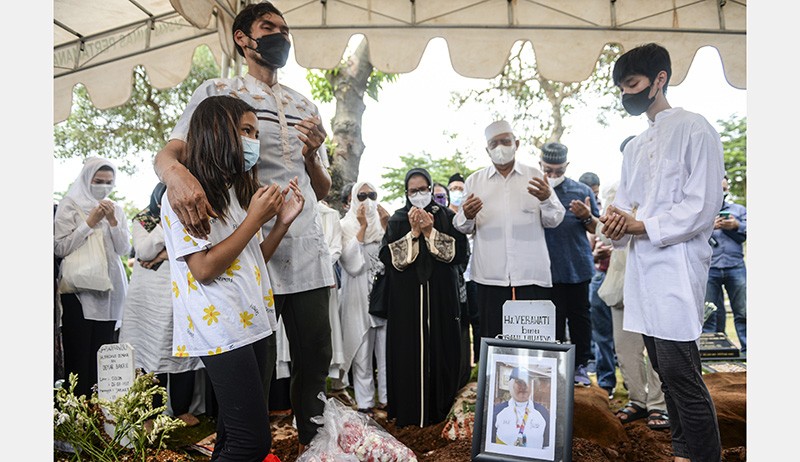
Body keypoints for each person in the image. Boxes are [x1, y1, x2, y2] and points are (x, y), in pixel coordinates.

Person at [152, 2, 334, 450]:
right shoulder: (219, 93)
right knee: (257, 363)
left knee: (315, 356)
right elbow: (173, 151)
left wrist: (313, 155)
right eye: (268, 27)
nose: (280, 36)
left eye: (285, 30)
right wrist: (175, 178)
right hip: (244, 245)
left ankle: (315, 447)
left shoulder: (304, 104)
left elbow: (324, 189)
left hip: (303, 244)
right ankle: (249, 445)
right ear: (242, 37)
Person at [162, 95, 306, 460]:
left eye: (256, 133)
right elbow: (204, 268)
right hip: (222, 328)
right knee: (251, 442)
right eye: (246, 131)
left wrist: (281, 224)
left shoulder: (233, 192)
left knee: (232, 435)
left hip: (251, 321)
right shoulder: (184, 196)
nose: (253, 141)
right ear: (217, 132)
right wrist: (255, 219)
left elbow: (252, 259)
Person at [601, 43, 724, 461]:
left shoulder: (695, 128)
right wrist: (614, 225)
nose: (626, 94)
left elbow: (702, 205)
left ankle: (704, 455)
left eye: (632, 83)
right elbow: (624, 207)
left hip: (677, 269)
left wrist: (641, 225)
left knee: (682, 375)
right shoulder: (635, 146)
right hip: (641, 272)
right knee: (665, 374)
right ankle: (683, 451)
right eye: (621, 87)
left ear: (660, 79)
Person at [453, 121, 565, 347]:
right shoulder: (475, 181)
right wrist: (468, 215)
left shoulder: (535, 175)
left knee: (533, 342)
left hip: (531, 274)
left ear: (517, 144)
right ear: (487, 150)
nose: (500, 147)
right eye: (494, 144)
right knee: (493, 340)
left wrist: (546, 199)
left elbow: (554, 220)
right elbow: (462, 226)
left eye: (505, 141)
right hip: (489, 275)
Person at [380, 168, 468, 427]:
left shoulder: (448, 217)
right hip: (406, 302)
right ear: (406, 193)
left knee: (442, 349)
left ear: (430, 189)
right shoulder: (398, 220)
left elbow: (459, 254)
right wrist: (414, 234)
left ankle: (441, 415)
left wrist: (431, 232)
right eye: (413, 190)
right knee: (408, 353)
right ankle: (409, 416)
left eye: (423, 189)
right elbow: (389, 258)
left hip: (442, 299)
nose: (418, 194)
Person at [118, 183, 204, 427]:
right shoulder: (144, 219)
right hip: (149, 297)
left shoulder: (192, 214)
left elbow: (198, 245)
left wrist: (164, 254)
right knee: (151, 351)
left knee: (181, 349)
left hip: (181, 291)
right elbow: (144, 251)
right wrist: (166, 223)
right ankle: (151, 414)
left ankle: (182, 409)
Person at [54, 157, 131, 399]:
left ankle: (99, 410)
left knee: (103, 356)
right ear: (87, 179)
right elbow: (59, 248)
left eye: (109, 182)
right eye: (98, 181)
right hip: (79, 293)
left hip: (109, 293)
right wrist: (89, 223)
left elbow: (123, 249)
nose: (103, 187)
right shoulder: (70, 205)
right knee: (79, 355)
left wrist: (112, 221)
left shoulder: (115, 209)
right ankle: (77, 412)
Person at [598, 176, 669, 432]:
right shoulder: (615, 190)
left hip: (657, 279)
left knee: (658, 348)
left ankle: (659, 403)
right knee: (625, 347)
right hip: (621, 283)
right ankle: (638, 399)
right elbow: (605, 235)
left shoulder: (664, 188)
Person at [540, 142, 599, 388]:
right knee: (550, 322)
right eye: (548, 170)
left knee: (580, 319)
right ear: (540, 164)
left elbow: (597, 228)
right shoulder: (533, 188)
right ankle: (551, 367)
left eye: (559, 171)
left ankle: (581, 365)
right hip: (543, 270)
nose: (553, 175)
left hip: (576, 266)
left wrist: (586, 216)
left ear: (567, 166)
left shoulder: (581, 190)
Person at [339, 182, 390, 415]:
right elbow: (351, 264)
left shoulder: (382, 224)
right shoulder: (345, 225)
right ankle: (365, 401)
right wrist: (362, 227)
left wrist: (386, 226)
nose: (367, 200)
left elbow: (392, 255)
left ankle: (387, 398)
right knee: (362, 350)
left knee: (386, 350)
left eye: (372, 194)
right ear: (353, 198)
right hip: (357, 295)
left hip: (381, 294)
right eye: (362, 195)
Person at [578, 171, 617, 399]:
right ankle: (606, 383)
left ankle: (635, 383)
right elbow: (588, 247)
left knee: (628, 337)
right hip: (601, 275)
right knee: (602, 336)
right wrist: (596, 253)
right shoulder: (591, 218)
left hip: (624, 278)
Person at [703, 176, 747, 355]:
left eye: (724, 189)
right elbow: (690, 235)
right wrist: (709, 226)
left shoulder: (739, 210)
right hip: (709, 267)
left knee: (743, 311)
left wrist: (736, 225)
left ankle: (747, 350)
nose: (722, 192)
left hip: (735, 266)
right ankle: (710, 351)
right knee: (708, 312)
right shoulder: (702, 211)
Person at [434, 181, 471, 387]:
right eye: (435, 196)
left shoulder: (454, 220)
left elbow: (463, 254)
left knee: (459, 335)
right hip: (435, 293)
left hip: (456, 288)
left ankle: (460, 379)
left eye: (441, 197)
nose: (438, 201)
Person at [448, 172, 481, 366]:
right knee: (459, 321)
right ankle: (461, 364)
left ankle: (479, 361)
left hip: (475, 275)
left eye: (460, 189)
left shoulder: (476, 211)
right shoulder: (445, 216)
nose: (457, 192)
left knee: (478, 319)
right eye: (453, 189)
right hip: (457, 278)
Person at [492, 367, 549, 448]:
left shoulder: (542, 412)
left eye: (527, 381)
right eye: (519, 382)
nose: (523, 386)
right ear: (510, 384)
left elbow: (547, 446)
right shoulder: (497, 411)